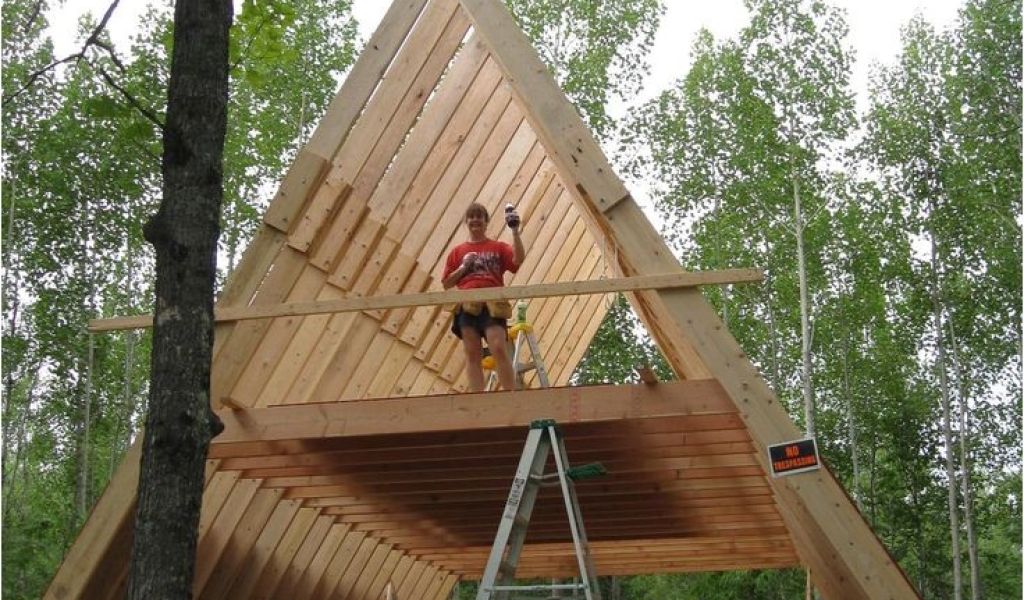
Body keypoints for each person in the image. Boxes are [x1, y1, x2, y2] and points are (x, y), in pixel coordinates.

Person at [442, 202, 526, 392]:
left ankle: (511, 394)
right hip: (467, 305)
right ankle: (478, 399)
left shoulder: (498, 247)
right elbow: (446, 283)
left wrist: (515, 231)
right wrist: (463, 267)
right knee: (472, 352)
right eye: (471, 217)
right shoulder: (457, 252)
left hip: (492, 304)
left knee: (498, 347)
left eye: (479, 216)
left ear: (486, 221)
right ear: (466, 222)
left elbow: (518, 260)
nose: (475, 220)